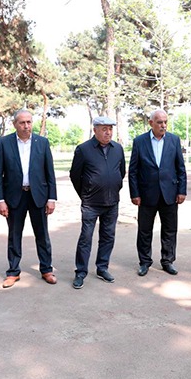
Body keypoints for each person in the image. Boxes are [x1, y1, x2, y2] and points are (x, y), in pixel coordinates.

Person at [0, 109, 57, 288]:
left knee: (42, 235)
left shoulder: (42, 142)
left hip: (38, 196)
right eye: (22, 122)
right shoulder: (4, 143)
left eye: (29, 122)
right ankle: (13, 272)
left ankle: (46, 269)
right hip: (14, 196)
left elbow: (50, 173)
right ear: (15, 124)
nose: (26, 126)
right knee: (14, 235)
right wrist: (0, 200)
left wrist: (51, 198)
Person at [69, 116, 126, 289]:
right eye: (104, 129)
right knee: (86, 238)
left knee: (108, 237)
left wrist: (114, 187)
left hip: (112, 202)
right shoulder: (83, 149)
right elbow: (75, 175)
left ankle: (102, 268)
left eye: (110, 129)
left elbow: (121, 172)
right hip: (91, 203)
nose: (108, 132)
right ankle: (81, 272)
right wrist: (85, 193)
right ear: (95, 130)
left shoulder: (118, 149)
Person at [128, 109, 187, 276]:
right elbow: (133, 170)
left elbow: (180, 168)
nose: (163, 125)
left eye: (165, 122)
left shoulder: (174, 140)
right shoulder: (140, 141)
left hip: (170, 193)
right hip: (147, 194)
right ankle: (144, 262)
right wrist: (134, 194)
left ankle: (167, 261)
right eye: (160, 122)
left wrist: (182, 191)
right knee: (144, 230)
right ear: (151, 123)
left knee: (170, 229)